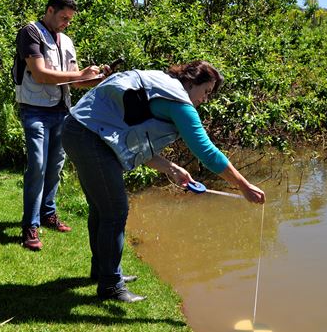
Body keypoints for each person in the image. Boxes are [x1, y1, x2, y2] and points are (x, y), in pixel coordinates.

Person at [62, 61, 266, 302]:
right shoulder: (180, 104)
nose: (206, 99)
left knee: (102, 207)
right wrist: (244, 186)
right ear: (191, 82)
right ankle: (110, 286)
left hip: (78, 129)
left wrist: (172, 168)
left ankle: (104, 271)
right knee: (115, 211)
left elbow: (134, 140)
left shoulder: (161, 84)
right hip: (89, 136)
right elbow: (207, 152)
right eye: (206, 91)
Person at [12, 0, 106, 251]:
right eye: (63, 17)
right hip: (35, 110)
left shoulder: (66, 41)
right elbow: (41, 75)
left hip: (62, 111)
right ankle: (30, 225)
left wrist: (96, 78)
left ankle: (47, 214)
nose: (66, 23)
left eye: (70, 19)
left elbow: (74, 83)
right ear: (50, 11)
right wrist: (80, 74)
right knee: (38, 165)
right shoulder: (30, 33)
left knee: (55, 166)